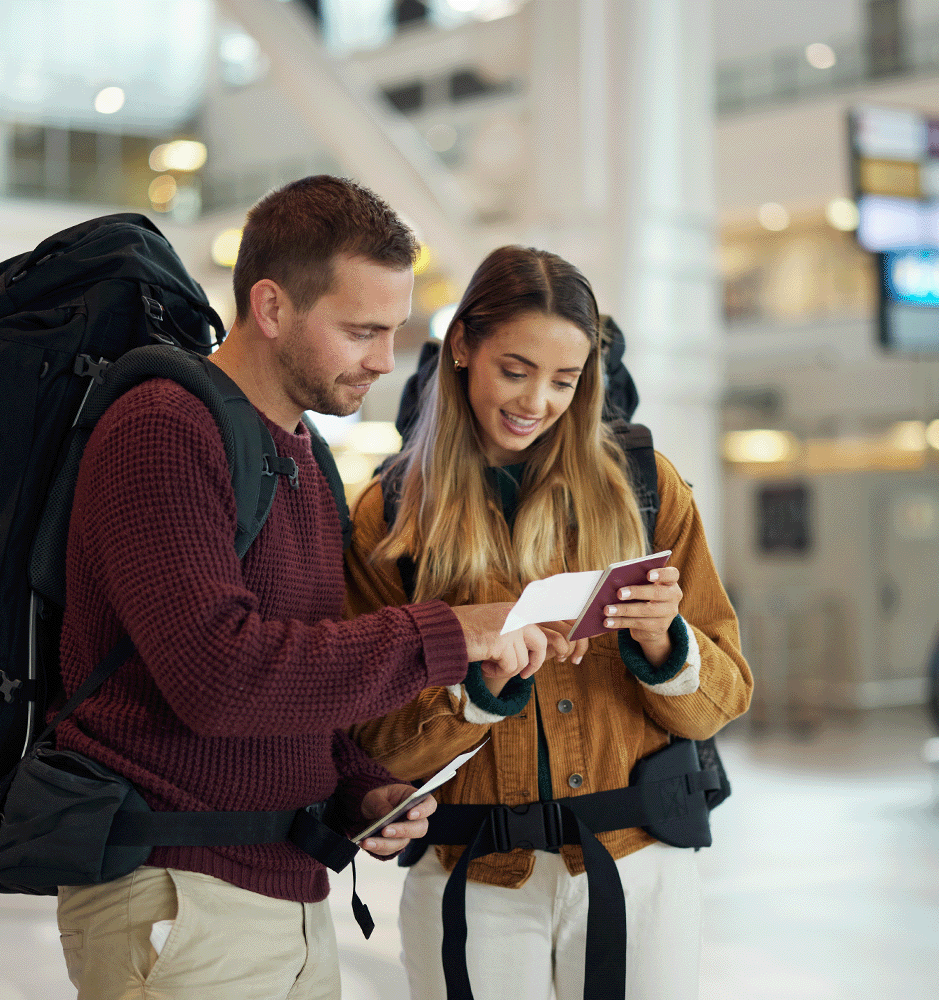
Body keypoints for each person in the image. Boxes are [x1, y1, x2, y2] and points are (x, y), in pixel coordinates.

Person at [51, 177, 565, 1000]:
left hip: (284, 896)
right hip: (179, 894)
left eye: (393, 331)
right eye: (360, 330)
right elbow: (220, 679)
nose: (384, 360)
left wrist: (360, 784)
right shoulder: (163, 429)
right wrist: (446, 633)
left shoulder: (303, 457)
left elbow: (296, 683)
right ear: (272, 306)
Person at [347, 245, 752, 1000]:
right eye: (516, 369)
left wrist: (667, 647)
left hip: (638, 867)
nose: (537, 400)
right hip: (471, 874)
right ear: (463, 346)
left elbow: (725, 698)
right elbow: (374, 740)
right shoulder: (393, 514)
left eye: (565, 380)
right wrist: (479, 691)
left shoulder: (644, 487)